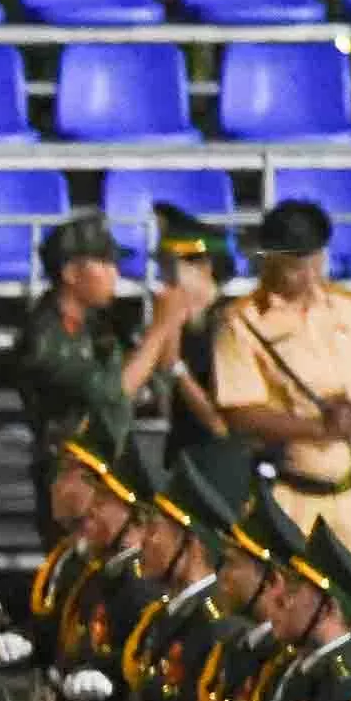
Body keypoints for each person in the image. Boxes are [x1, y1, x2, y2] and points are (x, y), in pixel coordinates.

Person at [213, 199, 351, 570]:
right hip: (291, 493)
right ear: (271, 261)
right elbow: (240, 413)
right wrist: (320, 429)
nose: (311, 276)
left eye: (316, 262)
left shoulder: (347, 307)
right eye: (298, 267)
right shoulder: (244, 323)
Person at [17, 210, 201, 524]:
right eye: (104, 264)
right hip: (70, 474)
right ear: (72, 273)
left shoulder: (104, 324)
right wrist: (160, 326)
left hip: (114, 468)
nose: (115, 274)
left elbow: (150, 387)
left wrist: (170, 328)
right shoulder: (44, 335)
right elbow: (110, 392)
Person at [152, 203, 250, 505]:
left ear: (204, 267)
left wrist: (176, 369)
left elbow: (221, 423)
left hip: (220, 469)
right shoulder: (182, 320)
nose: (165, 279)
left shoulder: (229, 324)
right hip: (185, 458)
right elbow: (166, 407)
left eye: (173, 267)